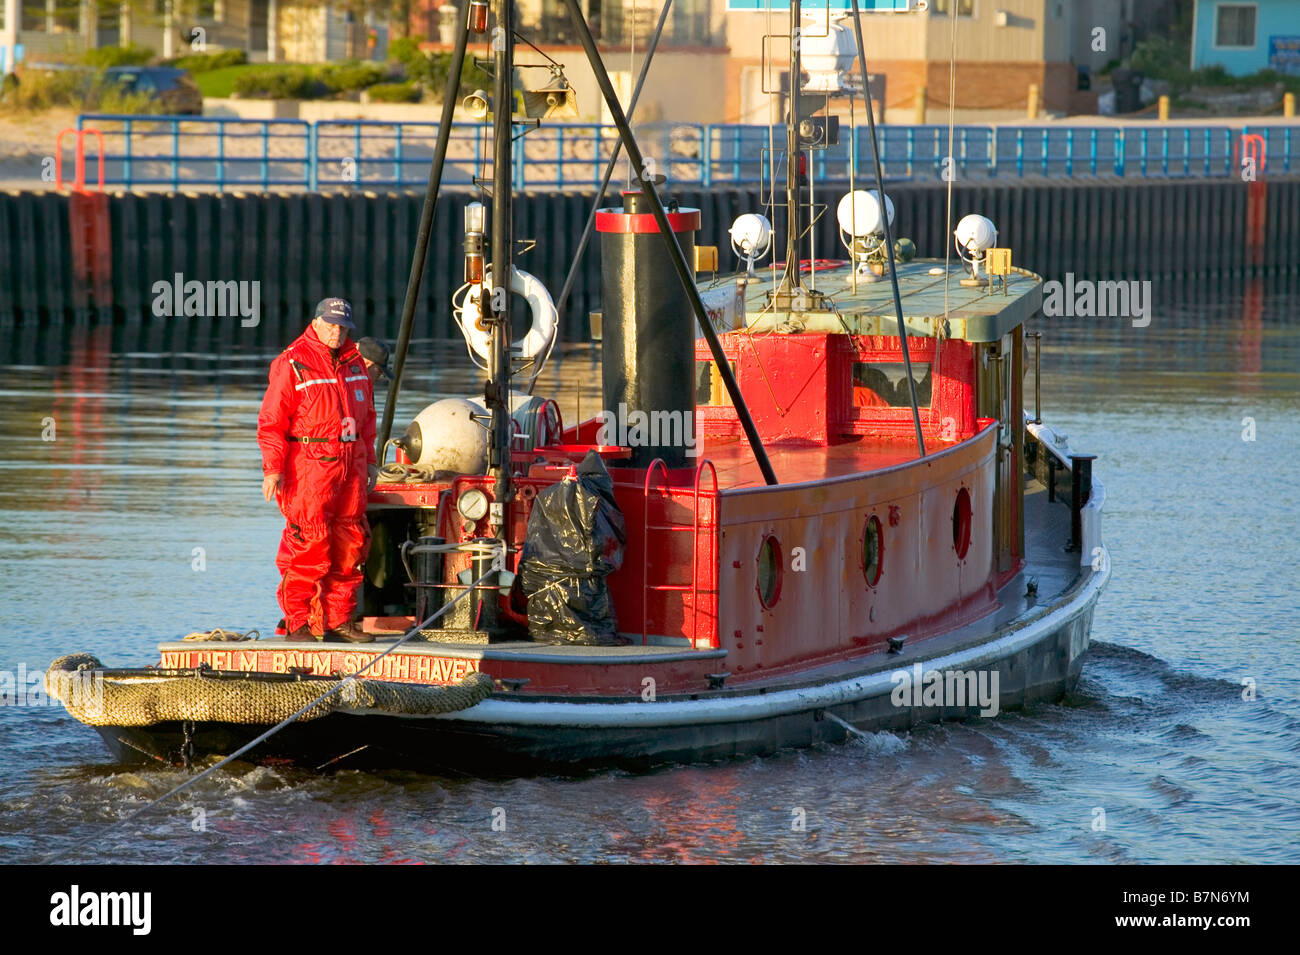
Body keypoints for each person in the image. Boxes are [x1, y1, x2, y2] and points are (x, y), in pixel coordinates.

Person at [258, 298, 378, 643]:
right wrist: (273, 469)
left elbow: (367, 418)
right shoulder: (292, 362)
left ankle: (338, 620)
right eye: (331, 325)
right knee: (309, 544)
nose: (337, 332)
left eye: (343, 327)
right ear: (316, 322)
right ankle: (298, 623)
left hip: (350, 466)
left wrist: (369, 460)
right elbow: (271, 421)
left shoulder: (356, 363)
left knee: (350, 544)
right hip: (309, 466)